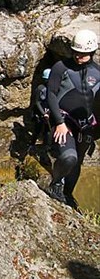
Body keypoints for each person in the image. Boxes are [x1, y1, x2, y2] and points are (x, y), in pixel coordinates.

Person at [46, 29, 100, 208]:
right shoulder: (61, 67)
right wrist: (59, 123)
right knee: (70, 158)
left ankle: (68, 195)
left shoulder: (98, 72)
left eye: (83, 54)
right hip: (63, 121)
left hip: (86, 126)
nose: (78, 57)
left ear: (92, 52)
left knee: (78, 163)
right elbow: (51, 94)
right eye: (76, 52)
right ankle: (55, 185)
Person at [28, 68, 51, 152]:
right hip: (40, 113)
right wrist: (43, 113)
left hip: (48, 112)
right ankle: (32, 144)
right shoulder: (40, 88)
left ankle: (46, 147)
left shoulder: (52, 89)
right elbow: (37, 102)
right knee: (37, 129)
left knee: (48, 130)